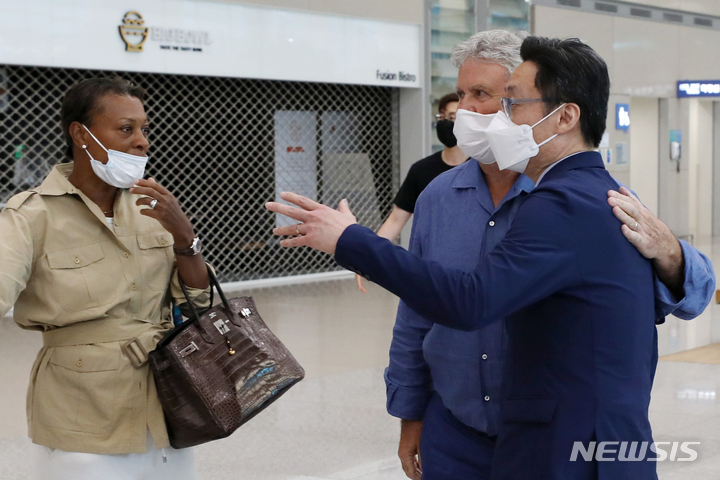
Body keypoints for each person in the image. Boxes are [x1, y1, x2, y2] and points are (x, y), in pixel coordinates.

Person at [267, 37, 716, 479]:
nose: (468, 111)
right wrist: (410, 409)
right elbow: (416, 318)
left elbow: (472, 300)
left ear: (562, 115)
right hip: (461, 428)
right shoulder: (440, 196)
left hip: (556, 438)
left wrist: (672, 253)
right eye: (460, 96)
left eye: (495, 99)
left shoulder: (583, 201)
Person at [0, 77, 210, 480]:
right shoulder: (31, 215)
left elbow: (200, 304)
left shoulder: (152, 207)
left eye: (144, 129)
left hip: (169, 412)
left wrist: (186, 238)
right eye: (126, 128)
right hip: (84, 420)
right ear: (80, 134)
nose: (142, 141)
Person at [356, 93, 467, 293]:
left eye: (452, 118)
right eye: (442, 118)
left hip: (470, 265)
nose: (445, 123)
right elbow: (396, 219)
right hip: (429, 266)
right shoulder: (422, 170)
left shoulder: (482, 168)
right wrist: (369, 256)